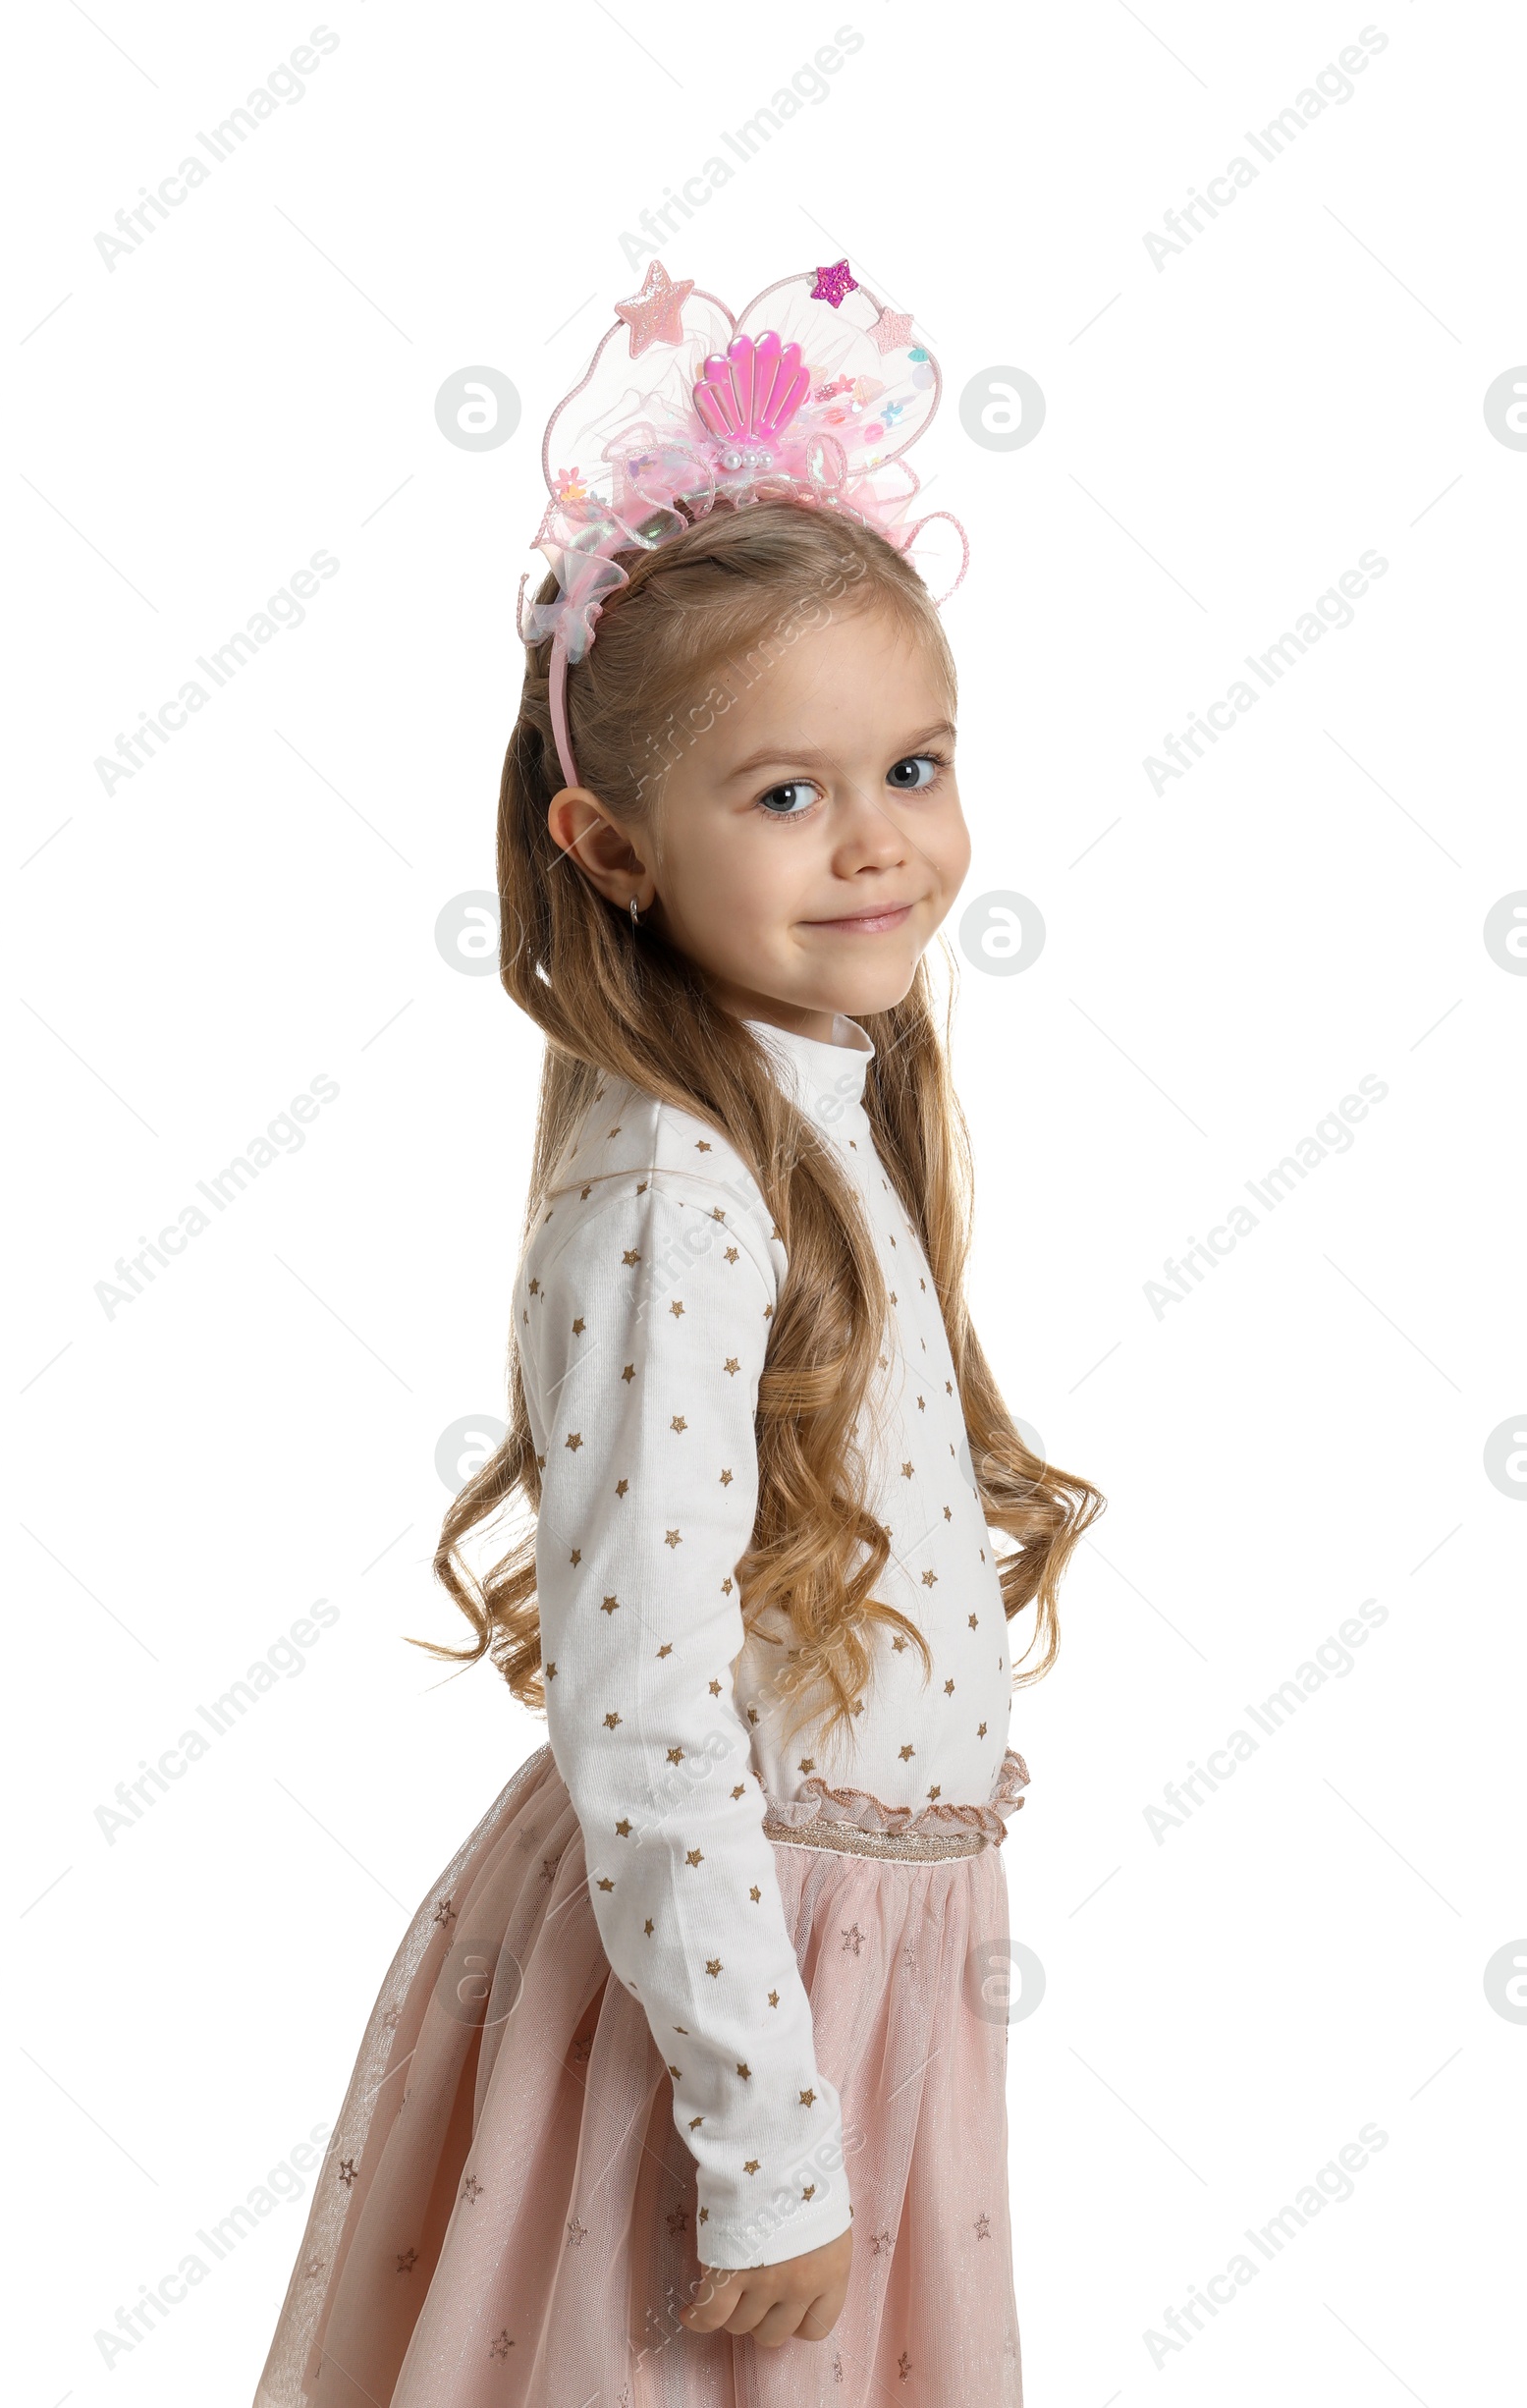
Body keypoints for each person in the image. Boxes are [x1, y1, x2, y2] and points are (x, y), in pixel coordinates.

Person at [253, 259, 1103, 2408]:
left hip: (865, 1964)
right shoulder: (674, 1183)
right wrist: (760, 2132)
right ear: (612, 846)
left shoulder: (822, 1101)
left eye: (906, 764)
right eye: (784, 793)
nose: (877, 839)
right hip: (727, 1996)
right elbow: (639, 1696)